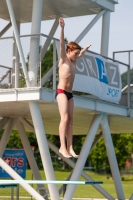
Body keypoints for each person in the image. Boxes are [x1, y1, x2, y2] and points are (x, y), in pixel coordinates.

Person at [56, 17, 91, 158]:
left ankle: (70, 147)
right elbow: (61, 43)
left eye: (78, 54)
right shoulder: (64, 59)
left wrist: (85, 49)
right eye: (75, 53)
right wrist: (62, 28)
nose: (77, 55)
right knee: (64, 118)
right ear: (68, 51)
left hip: (70, 94)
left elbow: (80, 53)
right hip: (61, 92)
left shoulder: (74, 61)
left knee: (71, 119)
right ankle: (62, 147)